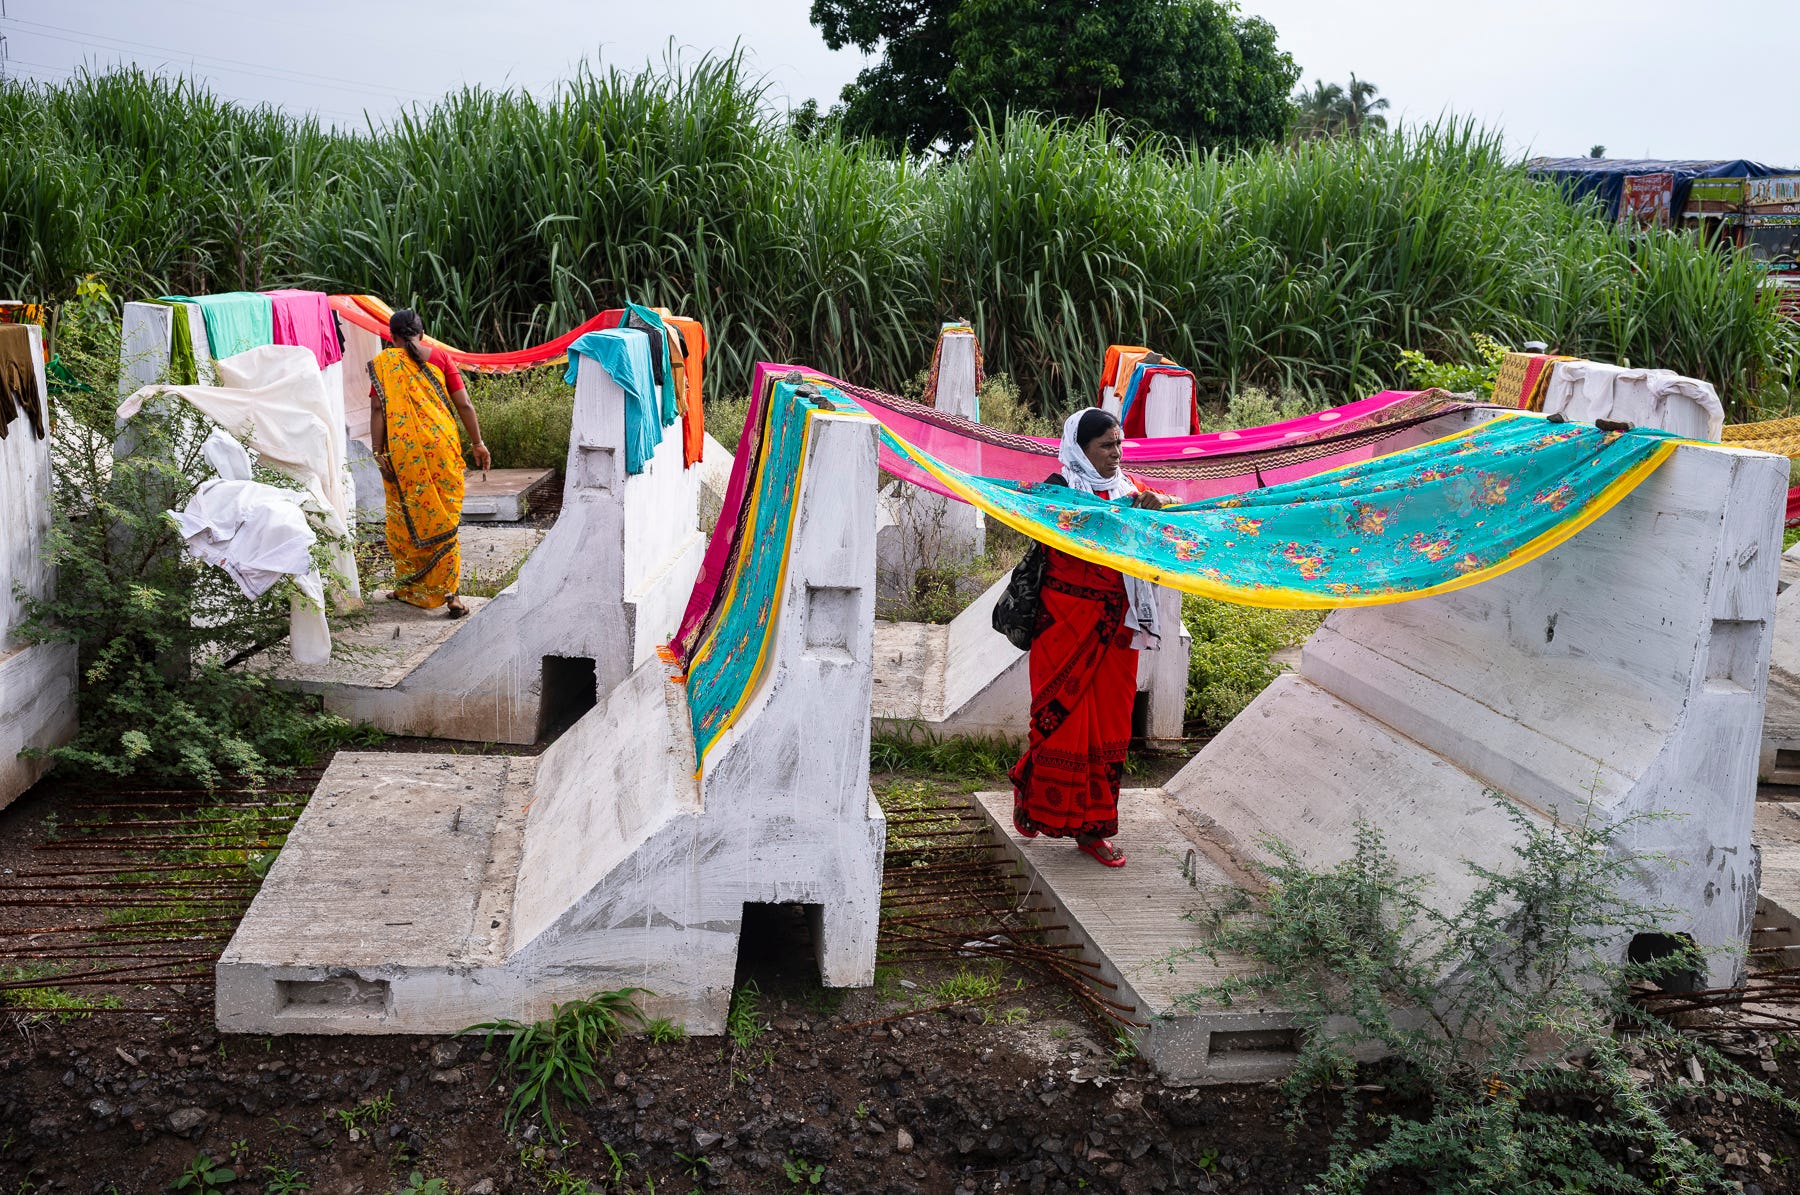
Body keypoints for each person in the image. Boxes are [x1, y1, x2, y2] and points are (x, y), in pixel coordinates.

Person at [1010, 408, 1165, 868]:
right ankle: (1035, 796)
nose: (1116, 454)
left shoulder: (1133, 492)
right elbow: (1047, 528)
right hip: (1063, 624)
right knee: (1057, 720)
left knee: (1111, 727)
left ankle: (1093, 829)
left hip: (1116, 628)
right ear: (1080, 449)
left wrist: (1154, 512)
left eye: (1119, 444)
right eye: (1106, 445)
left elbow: (1153, 543)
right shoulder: (1057, 489)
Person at [367, 309, 491, 617]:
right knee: (443, 517)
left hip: (402, 452)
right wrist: (477, 443)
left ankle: (408, 587)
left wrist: (378, 451)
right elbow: (464, 404)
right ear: (422, 333)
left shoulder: (384, 364)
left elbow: (377, 410)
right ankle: (452, 596)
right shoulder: (440, 357)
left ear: (391, 337)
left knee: (404, 517)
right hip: (441, 447)